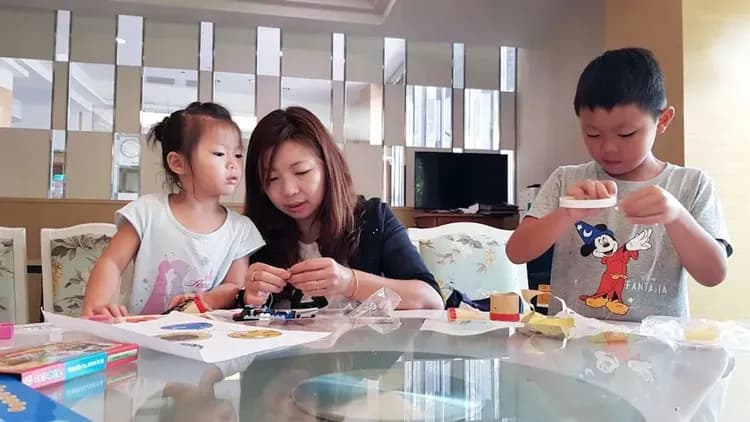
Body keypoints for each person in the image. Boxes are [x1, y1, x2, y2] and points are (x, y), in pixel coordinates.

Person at [506, 48, 732, 321]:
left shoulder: (691, 184)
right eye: (592, 134)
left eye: (626, 134)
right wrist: (567, 213)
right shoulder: (567, 180)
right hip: (572, 339)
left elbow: (713, 275)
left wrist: (677, 216)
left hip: (656, 345)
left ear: (663, 120)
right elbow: (516, 252)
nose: (608, 148)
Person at [240, 106, 443, 310]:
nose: (289, 190)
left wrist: (350, 282)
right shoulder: (253, 233)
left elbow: (431, 299)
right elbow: (235, 308)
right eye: (272, 178)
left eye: (301, 172)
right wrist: (249, 297)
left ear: (328, 167)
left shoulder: (373, 218)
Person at [82, 102, 264, 317]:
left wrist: (204, 300)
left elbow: (235, 286)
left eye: (238, 155)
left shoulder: (241, 229)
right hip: (143, 331)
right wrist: (96, 307)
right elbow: (112, 263)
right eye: (219, 154)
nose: (233, 164)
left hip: (206, 333)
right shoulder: (147, 212)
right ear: (178, 163)